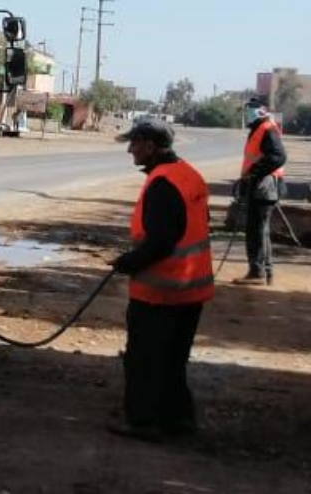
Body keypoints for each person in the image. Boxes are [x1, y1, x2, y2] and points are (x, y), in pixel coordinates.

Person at [108, 118, 214, 442]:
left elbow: (161, 242)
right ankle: (178, 419)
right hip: (191, 289)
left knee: (144, 359)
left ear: (150, 146)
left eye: (134, 143)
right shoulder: (188, 174)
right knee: (173, 360)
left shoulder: (162, 183)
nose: (130, 150)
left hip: (161, 292)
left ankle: (143, 421)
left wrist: (128, 262)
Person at [234, 99, 287, 286]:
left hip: (264, 186)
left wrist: (254, 173)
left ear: (259, 111)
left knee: (256, 230)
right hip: (260, 184)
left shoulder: (266, 129)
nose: (245, 114)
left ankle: (258, 272)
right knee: (260, 229)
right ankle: (264, 270)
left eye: (248, 111)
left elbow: (278, 156)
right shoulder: (259, 129)